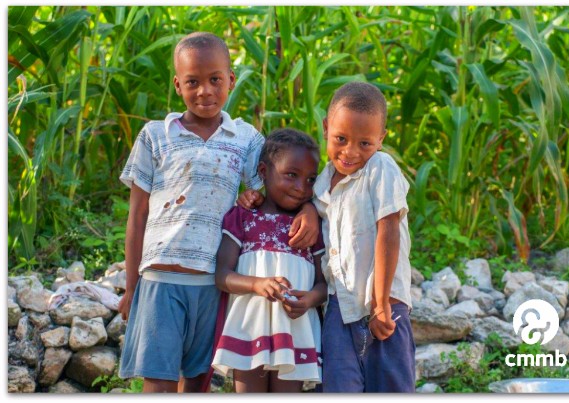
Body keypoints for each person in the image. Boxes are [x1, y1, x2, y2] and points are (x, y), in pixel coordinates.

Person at [117, 32, 317, 393]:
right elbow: (137, 216)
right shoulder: (155, 135)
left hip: (213, 282)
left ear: (231, 81)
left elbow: (281, 180)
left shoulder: (246, 139)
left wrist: (310, 209)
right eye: (192, 82)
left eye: (215, 80)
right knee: (158, 383)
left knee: (196, 381)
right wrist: (132, 287)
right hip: (161, 279)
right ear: (178, 85)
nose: (205, 91)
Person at [314, 81, 415, 392]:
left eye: (365, 143)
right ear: (326, 127)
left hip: (385, 306)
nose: (350, 152)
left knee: (391, 388)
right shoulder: (321, 183)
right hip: (339, 308)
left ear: (380, 140)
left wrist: (381, 303)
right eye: (340, 139)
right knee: (339, 388)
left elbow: (388, 231)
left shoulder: (380, 168)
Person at [212, 128, 328, 393]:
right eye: (291, 175)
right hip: (249, 328)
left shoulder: (310, 227)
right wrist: (257, 285)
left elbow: (323, 285)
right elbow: (222, 275)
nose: (301, 188)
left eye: (310, 180)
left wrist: (309, 300)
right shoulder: (242, 217)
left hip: (295, 332)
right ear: (263, 172)